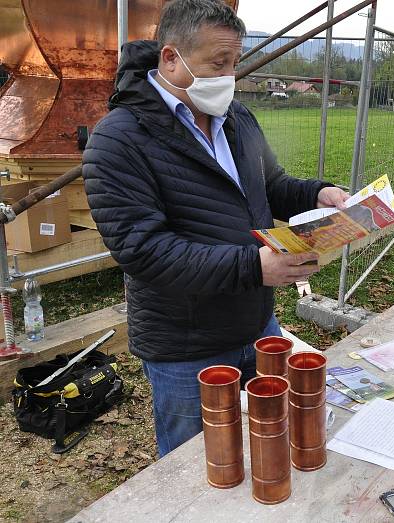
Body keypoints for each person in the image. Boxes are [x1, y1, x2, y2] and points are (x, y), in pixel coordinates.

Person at [82, 0, 348, 455]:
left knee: (269, 441)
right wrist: (254, 267)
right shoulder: (118, 140)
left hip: (257, 322)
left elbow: (269, 185)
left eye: (234, 63)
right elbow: (143, 251)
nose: (229, 76)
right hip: (187, 344)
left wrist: (316, 193)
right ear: (171, 58)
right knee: (196, 465)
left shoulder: (237, 118)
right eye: (217, 63)